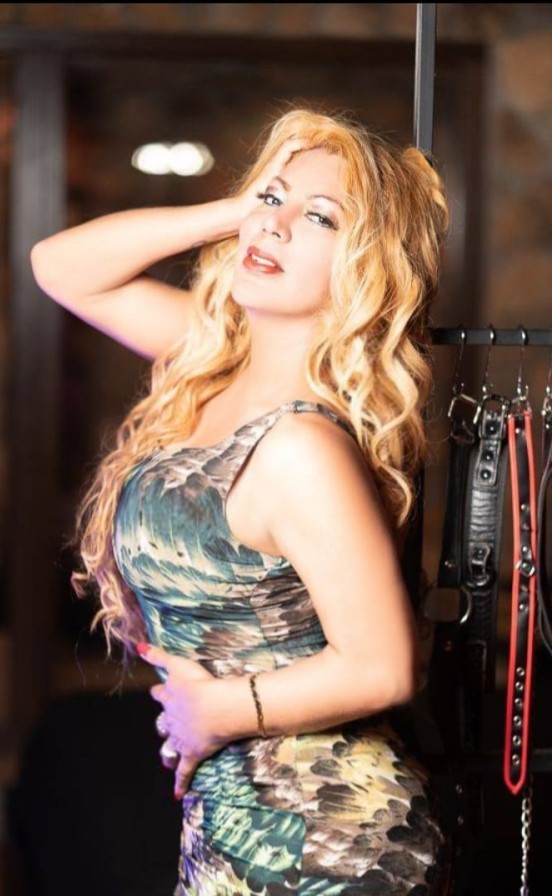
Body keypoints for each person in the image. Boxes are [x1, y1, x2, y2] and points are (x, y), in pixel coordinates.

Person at [31, 107, 451, 895]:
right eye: (272, 199)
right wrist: (242, 209)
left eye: (320, 217)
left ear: (363, 266)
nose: (276, 226)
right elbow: (60, 265)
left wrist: (216, 712)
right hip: (237, 823)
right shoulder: (208, 364)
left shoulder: (302, 446)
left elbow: (383, 666)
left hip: (328, 840)